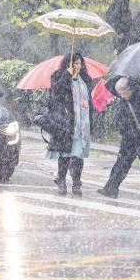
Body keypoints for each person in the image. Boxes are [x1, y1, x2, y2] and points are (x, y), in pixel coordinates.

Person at [97, 76, 140, 203]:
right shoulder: (124, 98)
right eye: (120, 93)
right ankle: (111, 189)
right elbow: (121, 115)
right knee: (121, 164)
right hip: (129, 137)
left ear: (130, 89)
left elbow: (137, 116)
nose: (122, 95)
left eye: (124, 92)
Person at [46, 52, 93, 196]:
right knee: (65, 154)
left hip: (81, 123)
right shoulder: (58, 76)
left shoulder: (85, 78)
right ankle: (61, 180)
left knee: (78, 155)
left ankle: (77, 184)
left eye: (79, 63)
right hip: (66, 122)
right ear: (68, 64)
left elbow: (88, 101)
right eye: (75, 63)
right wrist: (66, 76)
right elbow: (56, 93)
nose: (78, 66)